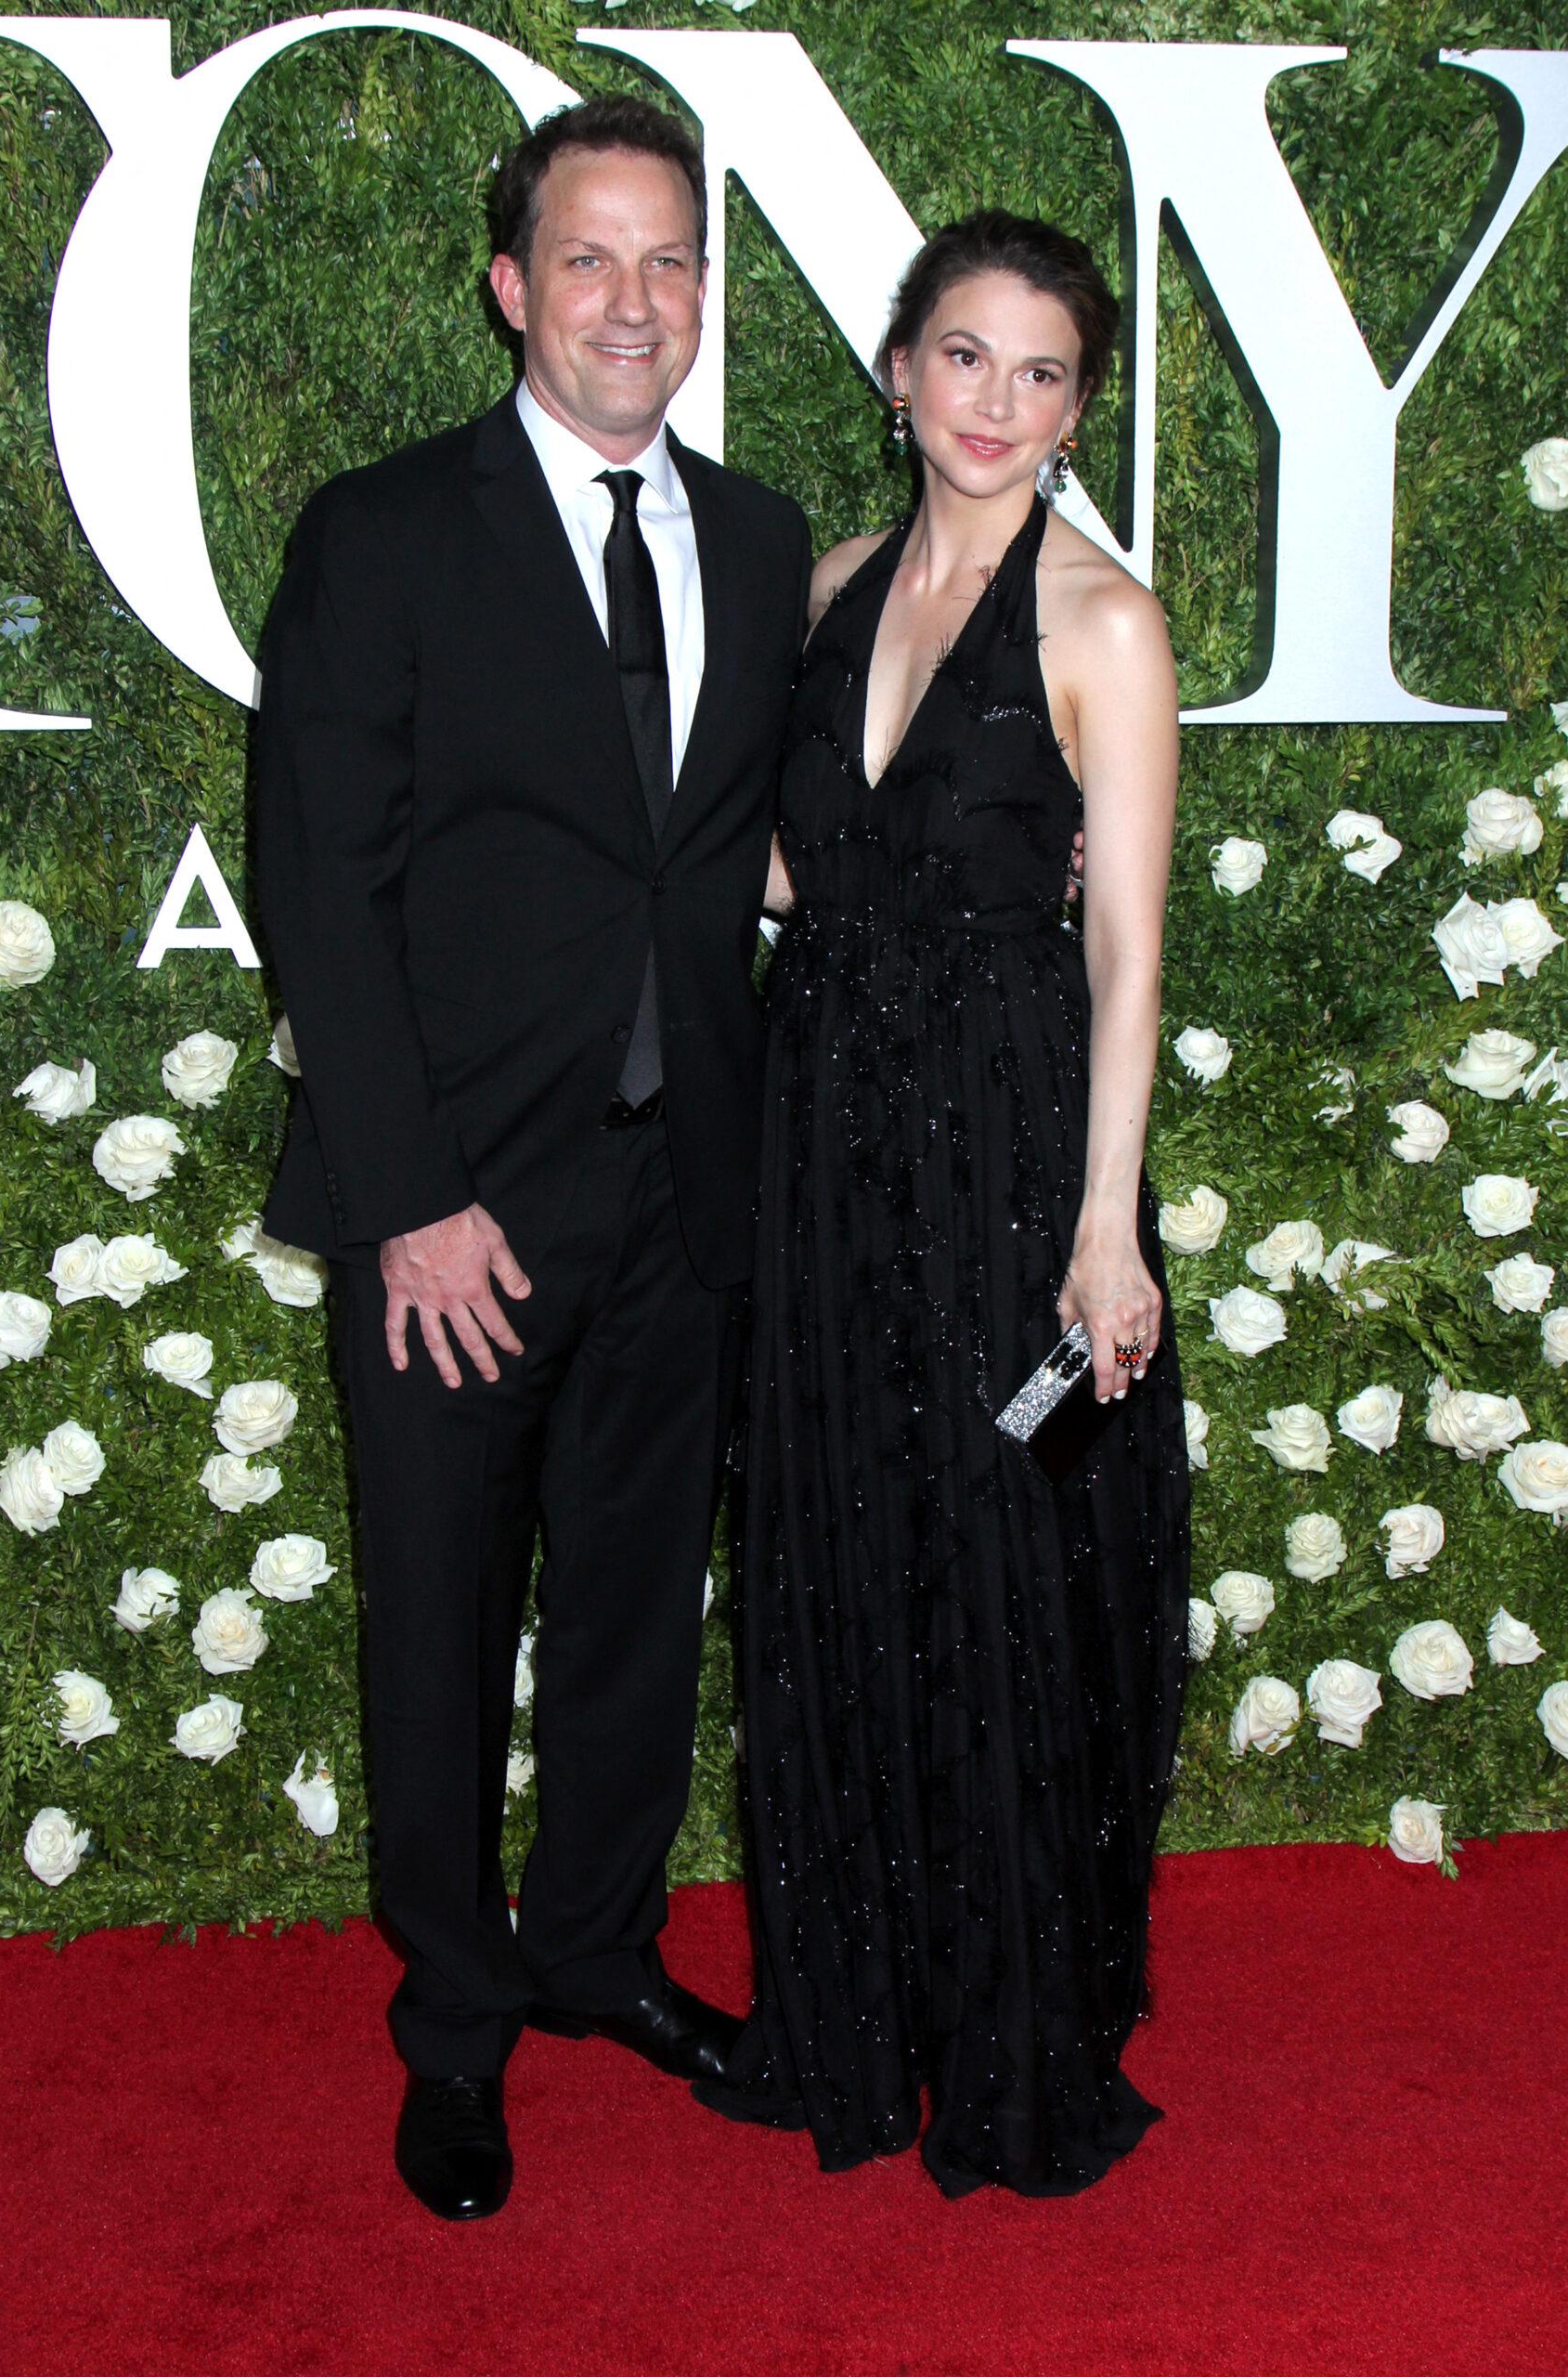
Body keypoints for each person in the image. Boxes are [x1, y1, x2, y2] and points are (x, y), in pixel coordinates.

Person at [253, 96, 811, 2222]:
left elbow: (726, 843)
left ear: (702, 294)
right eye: (589, 256)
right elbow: (324, 882)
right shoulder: (385, 532)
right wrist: (405, 1195)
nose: (632, 299)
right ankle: (457, 2025)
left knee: (634, 1629)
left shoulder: (756, 542)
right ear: (512, 285)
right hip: (455, 1216)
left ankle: (596, 1951)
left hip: (686, 1197)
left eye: (668, 259)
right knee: (441, 1624)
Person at [697, 213, 1192, 2199]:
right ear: (898, 369)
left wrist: (1104, 1224)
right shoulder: (820, 591)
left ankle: (1008, 2034)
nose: (996, 402)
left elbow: (1132, 950)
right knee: (839, 1557)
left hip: (1006, 1162)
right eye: (964, 357)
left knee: (1005, 1580)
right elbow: (787, 857)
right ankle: (849, 2010)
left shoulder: (1103, 624)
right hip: (819, 1138)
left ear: (1078, 410)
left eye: (1042, 370)